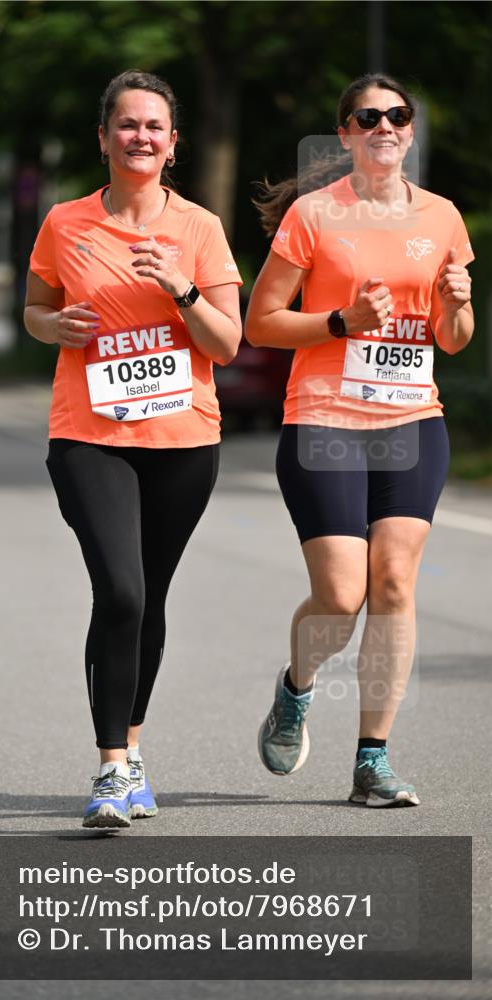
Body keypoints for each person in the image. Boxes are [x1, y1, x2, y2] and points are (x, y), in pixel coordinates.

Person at [245, 73, 474, 807]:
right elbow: (260, 322)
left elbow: (453, 338)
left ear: (410, 130)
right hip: (325, 419)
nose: (384, 127)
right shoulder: (314, 214)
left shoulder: (441, 216)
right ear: (344, 133)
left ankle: (372, 759)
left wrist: (456, 305)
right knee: (342, 595)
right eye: (367, 117)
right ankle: (296, 687)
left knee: (395, 582)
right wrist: (341, 323)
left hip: (412, 417)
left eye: (396, 115)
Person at [24, 70, 242, 828]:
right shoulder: (65, 223)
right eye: (127, 124)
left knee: (148, 597)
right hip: (90, 435)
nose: (140, 136)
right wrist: (53, 327)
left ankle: (134, 748)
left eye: (154, 126)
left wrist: (182, 288)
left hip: (183, 440)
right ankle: (111, 767)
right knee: (120, 591)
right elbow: (35, 309)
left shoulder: (200, 229)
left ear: (173, 144)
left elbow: (227, 344)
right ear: (103, 138)